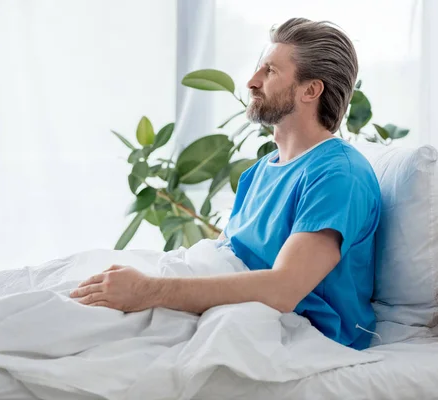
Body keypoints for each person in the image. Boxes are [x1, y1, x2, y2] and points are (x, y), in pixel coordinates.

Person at [70, 18, 381, 350]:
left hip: (298, 327)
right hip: (224, 295)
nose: (251, 82)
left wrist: (147, 291)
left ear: (311, 90)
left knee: (78, 331)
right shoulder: (262, 170)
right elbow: (223, 255)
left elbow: (284, 289)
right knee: (73, 292)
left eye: (271, 72)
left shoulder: (338, 175)